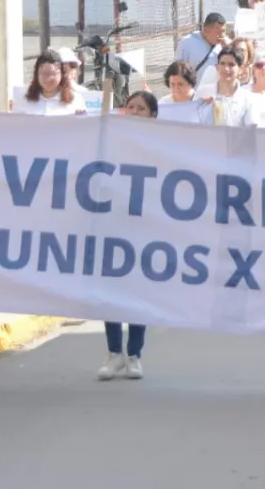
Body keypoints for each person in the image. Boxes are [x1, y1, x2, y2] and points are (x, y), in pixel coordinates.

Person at [97, 90, 158, 381]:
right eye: (130, 107)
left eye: (141, 108)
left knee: (137, 293)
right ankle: (113, 353)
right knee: (110, 291)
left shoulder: (164, 147)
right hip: (113, 224)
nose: (134, 112)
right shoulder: (112, 142)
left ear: (153, 115)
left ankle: (134, 355)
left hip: (145, 228)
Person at [12, 49, 87, 115]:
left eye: (53, 73)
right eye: (44, 73)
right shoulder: (23, 100)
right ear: (36, 74)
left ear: (62, 74)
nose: (48, 78)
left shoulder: (76, 100)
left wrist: (81, 119)